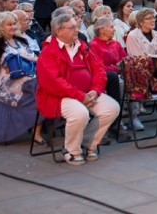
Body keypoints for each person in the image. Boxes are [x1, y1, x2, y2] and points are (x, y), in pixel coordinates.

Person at [36, 12, 120, 165]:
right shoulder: (48, 52)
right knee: (80, 113)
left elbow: (99, 69)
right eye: (72, 28)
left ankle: (88, 143)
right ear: (59, 31)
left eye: (76, 27)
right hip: (59, 97)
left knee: (112, 108)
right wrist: (80, 96)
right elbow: (54, 82)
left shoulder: (83, 46)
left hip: (88, 93)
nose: (77, 30)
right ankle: (71, 149)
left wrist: (95, 90)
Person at [0, 11, 44, 144]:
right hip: (7, 80)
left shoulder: (21, 40)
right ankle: (35, 128)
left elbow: (30, 56)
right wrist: (32, 59)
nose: (14, 26)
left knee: (43, 83)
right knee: (36, 84)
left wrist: (35, 60)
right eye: (9, 24)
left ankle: (38, 130)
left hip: (28, 74)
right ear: (0, 26)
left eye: (15, 23)